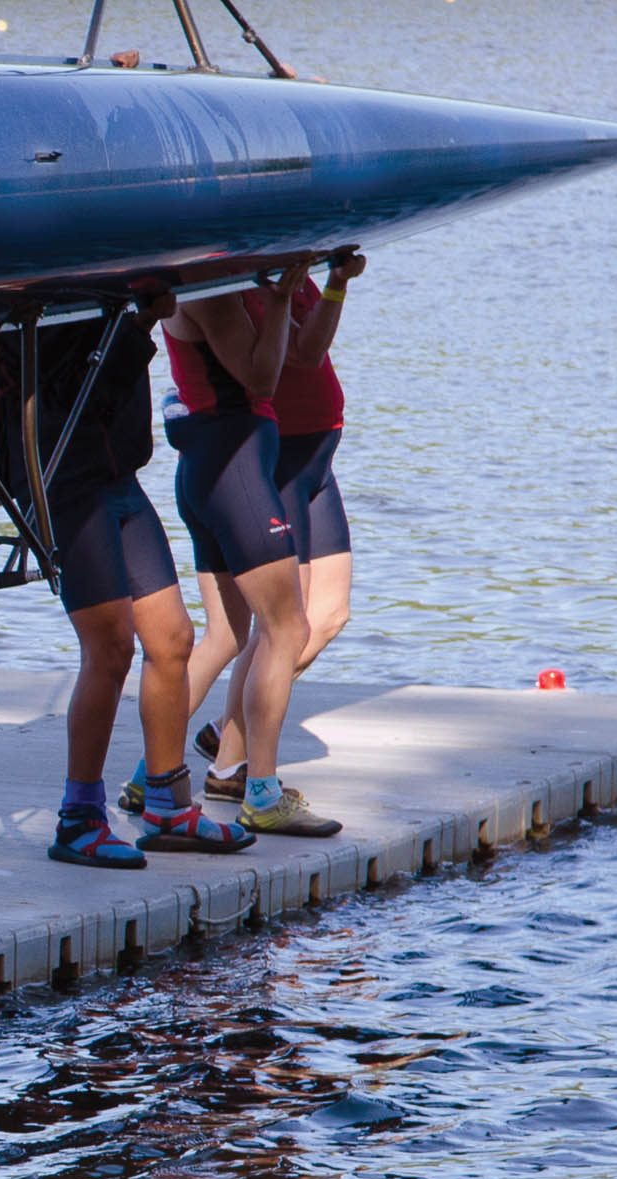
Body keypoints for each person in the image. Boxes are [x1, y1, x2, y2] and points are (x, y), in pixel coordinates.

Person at [0, 300, 258, 870]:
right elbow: (70, 375)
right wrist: (142, 315)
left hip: (119, 477)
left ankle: (169, 808)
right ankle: (78, 820)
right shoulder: (52, 292)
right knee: (111, 647)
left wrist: (143, 305)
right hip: (67, 479)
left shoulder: (109, 283)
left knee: (173, 639)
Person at [161, 250, 363, 806]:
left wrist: (335, 285)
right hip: (277, 456)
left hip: (319, 451)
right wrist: (276, 297)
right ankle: (221, 760)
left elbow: (310, 348)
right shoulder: (231, 279)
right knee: (270, 627)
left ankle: (229, 737)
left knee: (328, 615)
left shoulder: (281, 269)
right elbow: (264, 372)